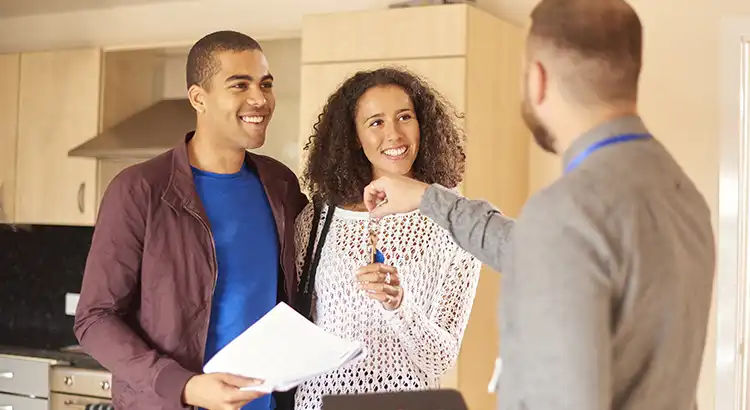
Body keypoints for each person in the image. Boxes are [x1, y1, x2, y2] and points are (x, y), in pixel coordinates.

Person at [363, 0, 716, 409]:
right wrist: (428, 197)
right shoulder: (682, 195)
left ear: (539, 79)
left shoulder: (566, 214)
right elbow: (542, 250)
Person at [74, 31, 307, 410]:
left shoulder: (280, 185)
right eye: (240, 85)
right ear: (199, 98)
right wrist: (184, 386)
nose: (260, 99)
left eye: (265, 84)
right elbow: (94, 318)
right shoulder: (140, 189)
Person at [292, 67, 501, 410]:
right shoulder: (316, 220)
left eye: (405, 117)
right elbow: (300, 330)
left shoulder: (454, 224)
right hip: (318, 402)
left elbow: (440, 360)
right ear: (354, 137)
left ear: (422, 125)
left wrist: (398, 304)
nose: (394, 134)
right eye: (375, 122)